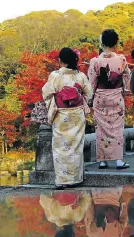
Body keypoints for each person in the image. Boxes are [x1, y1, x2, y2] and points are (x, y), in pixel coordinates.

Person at [42, 48, 92, 189]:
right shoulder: (80, 76)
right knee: (76, 146)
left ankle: (62, 180)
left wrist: (53, 103)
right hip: (77, 114)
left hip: (61, 114)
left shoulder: (55, 75)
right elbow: (89, 94)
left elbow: (46, 93)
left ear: (60, 61)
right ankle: (76, 178)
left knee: (60, 147)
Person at [88, 29, 130, 170]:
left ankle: (102, 161)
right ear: (115, 43)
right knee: (117, 128)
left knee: (101, 128)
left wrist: (90, 97)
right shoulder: (121, 59)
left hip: (100, 97)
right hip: (116, 96)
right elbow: (126, 77)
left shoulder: (95, 61)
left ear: (102, 42)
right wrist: (125, 91)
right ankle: (118, 160)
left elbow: (92, 82)